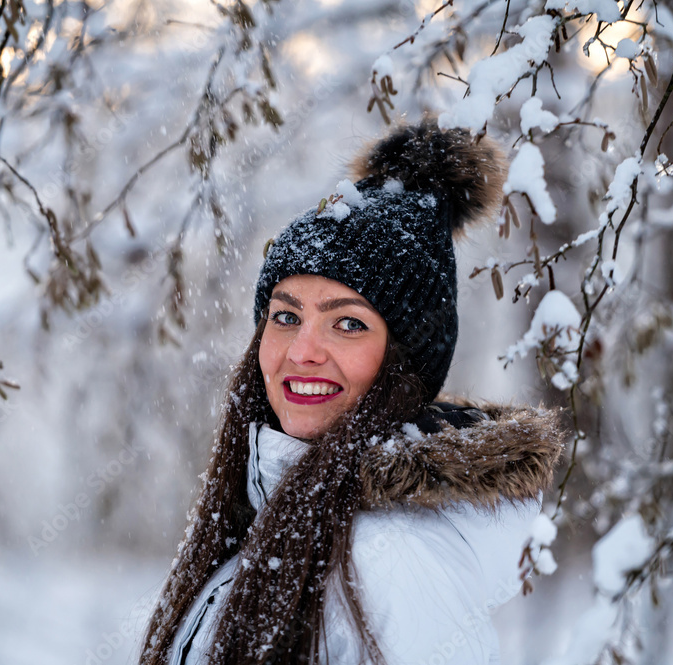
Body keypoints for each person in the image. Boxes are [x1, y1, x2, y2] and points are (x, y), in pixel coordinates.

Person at [139, 121, 566, 665]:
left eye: (348, 325)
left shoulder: (392, 560)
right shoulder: (275, 517)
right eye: (286, 315)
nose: (303, 351)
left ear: (407, 359)